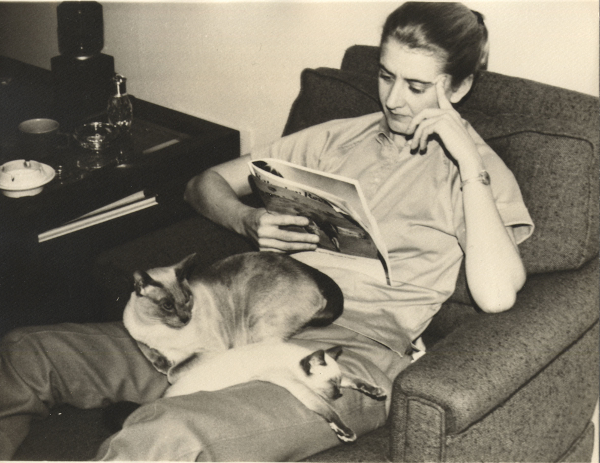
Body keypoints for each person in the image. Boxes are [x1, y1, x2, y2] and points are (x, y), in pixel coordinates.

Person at [0, 2, 534, 461]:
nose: (394, 100)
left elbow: (495, 293)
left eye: (417, 86)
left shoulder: (476, 174)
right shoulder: (337, 138)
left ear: (458, 87)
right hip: (237, 318)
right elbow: (203, 183)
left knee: (167, 437)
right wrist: (248, 219)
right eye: (386, 75)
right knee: (26, 353)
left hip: (346, 352)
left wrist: (468, 163)